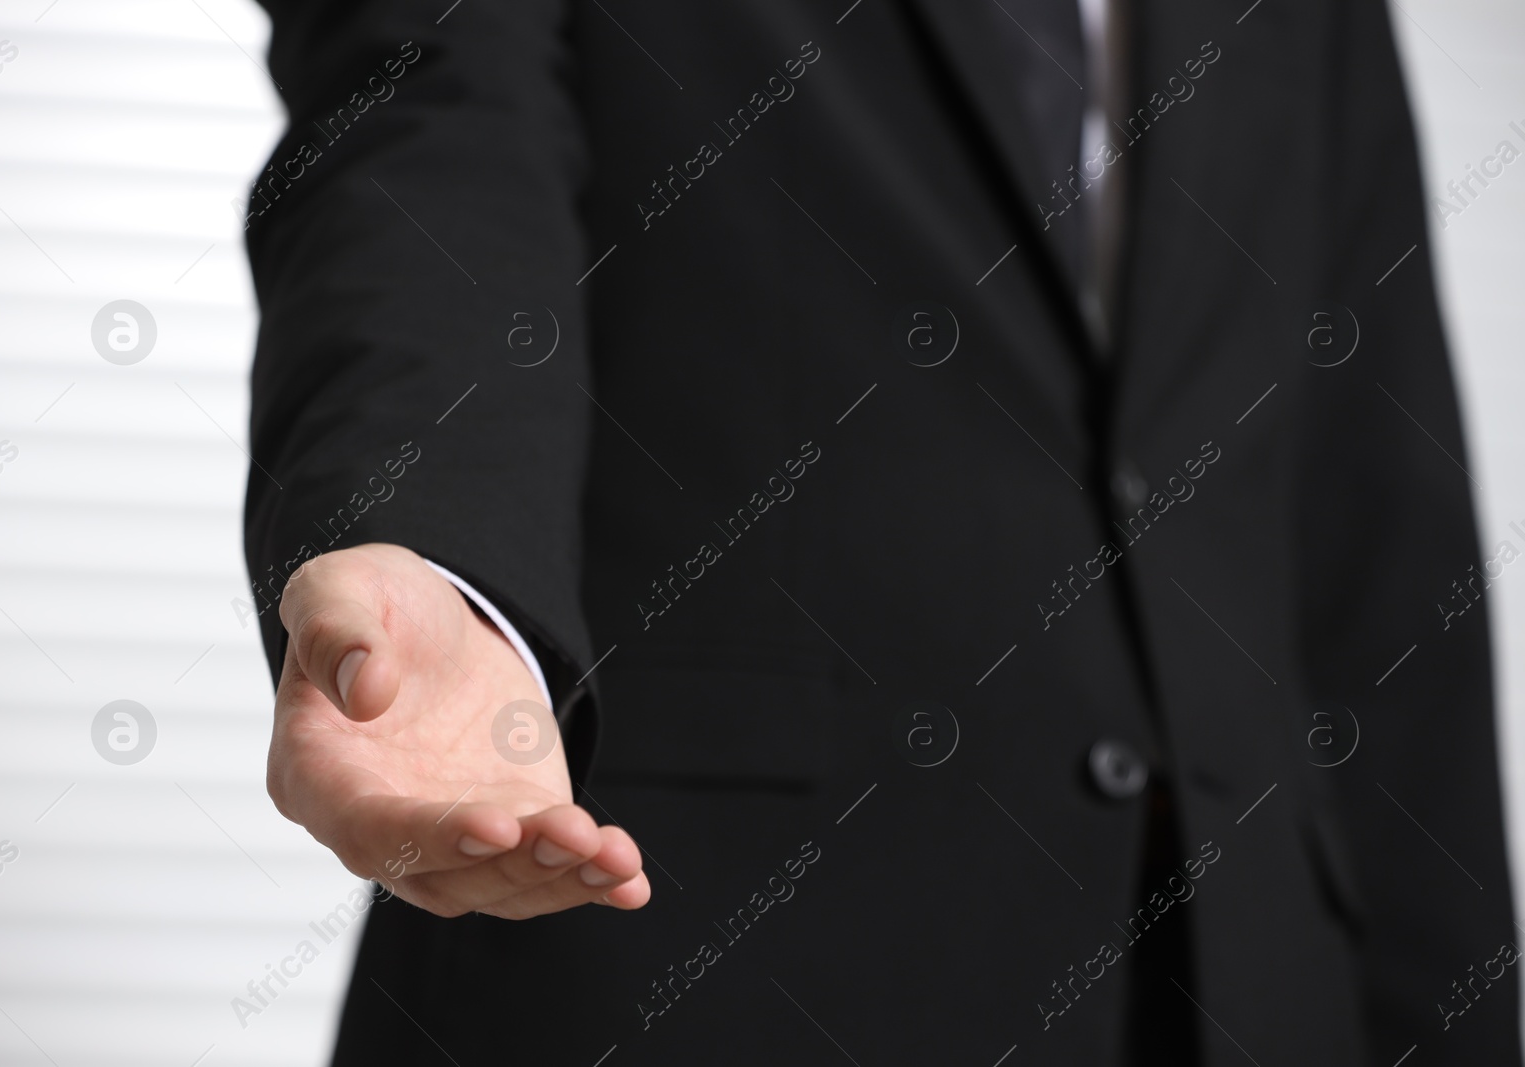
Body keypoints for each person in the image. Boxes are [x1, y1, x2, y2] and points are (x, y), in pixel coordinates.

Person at [241, 1, 1519, 1063]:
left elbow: (1379, 522)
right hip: (694, 970)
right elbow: (424, 121)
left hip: (1254, 995)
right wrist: (424, 539)